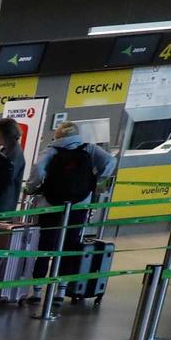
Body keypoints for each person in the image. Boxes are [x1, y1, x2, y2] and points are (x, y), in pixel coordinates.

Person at [31, 121, 114, 297]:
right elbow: (110, 161)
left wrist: (32, 188)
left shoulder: (52, 150)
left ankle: (37, 291)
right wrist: (96, 179)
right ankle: (61, 291)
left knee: (45, 246)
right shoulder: (88, 149)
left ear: (58, 135)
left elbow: (38, 169)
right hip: (79, 205)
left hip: (51, 206)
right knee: (71, 245)